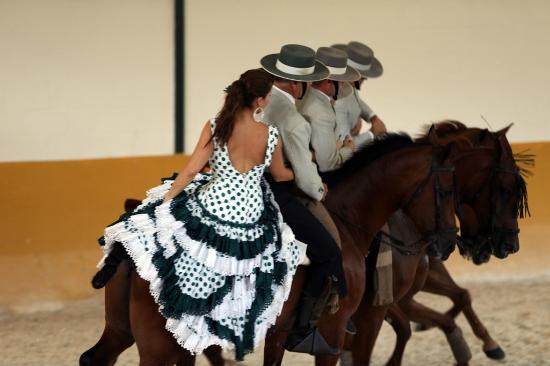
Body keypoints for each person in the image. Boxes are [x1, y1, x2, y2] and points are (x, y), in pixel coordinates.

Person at [96, 69, 306, 361]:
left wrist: (167, 202)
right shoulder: (270, 133)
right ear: (259, 100)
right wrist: (305, 173)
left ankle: (187, 313)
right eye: (268, 95)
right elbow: (281, 175)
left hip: (214, 203)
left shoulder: (216, 125)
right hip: (249, 213)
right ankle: (230, 325)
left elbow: (193, 169)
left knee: (183, 247)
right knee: (254, 268)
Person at [260, 44, 346, 354]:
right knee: (330, 253)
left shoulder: (257, 102)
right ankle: (303, 329)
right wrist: (319, 189)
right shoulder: (293, 119)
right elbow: (302, 171)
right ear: (298, 84)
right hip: (274, 192)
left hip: (240, 187)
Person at [298, 46, 361, 172]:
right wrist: (348, 149)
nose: (343, 84)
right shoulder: (322, 114)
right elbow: (328, 164)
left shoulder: (306, 94)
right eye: (341, 81)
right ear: (328, 81)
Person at [332, 41, 387, 148]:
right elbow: (344, 147)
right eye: (362, 79)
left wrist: (372, 117)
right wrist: (372, 134)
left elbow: (357, 100)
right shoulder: (339, 101)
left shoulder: (348, 85)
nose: (361, 84)